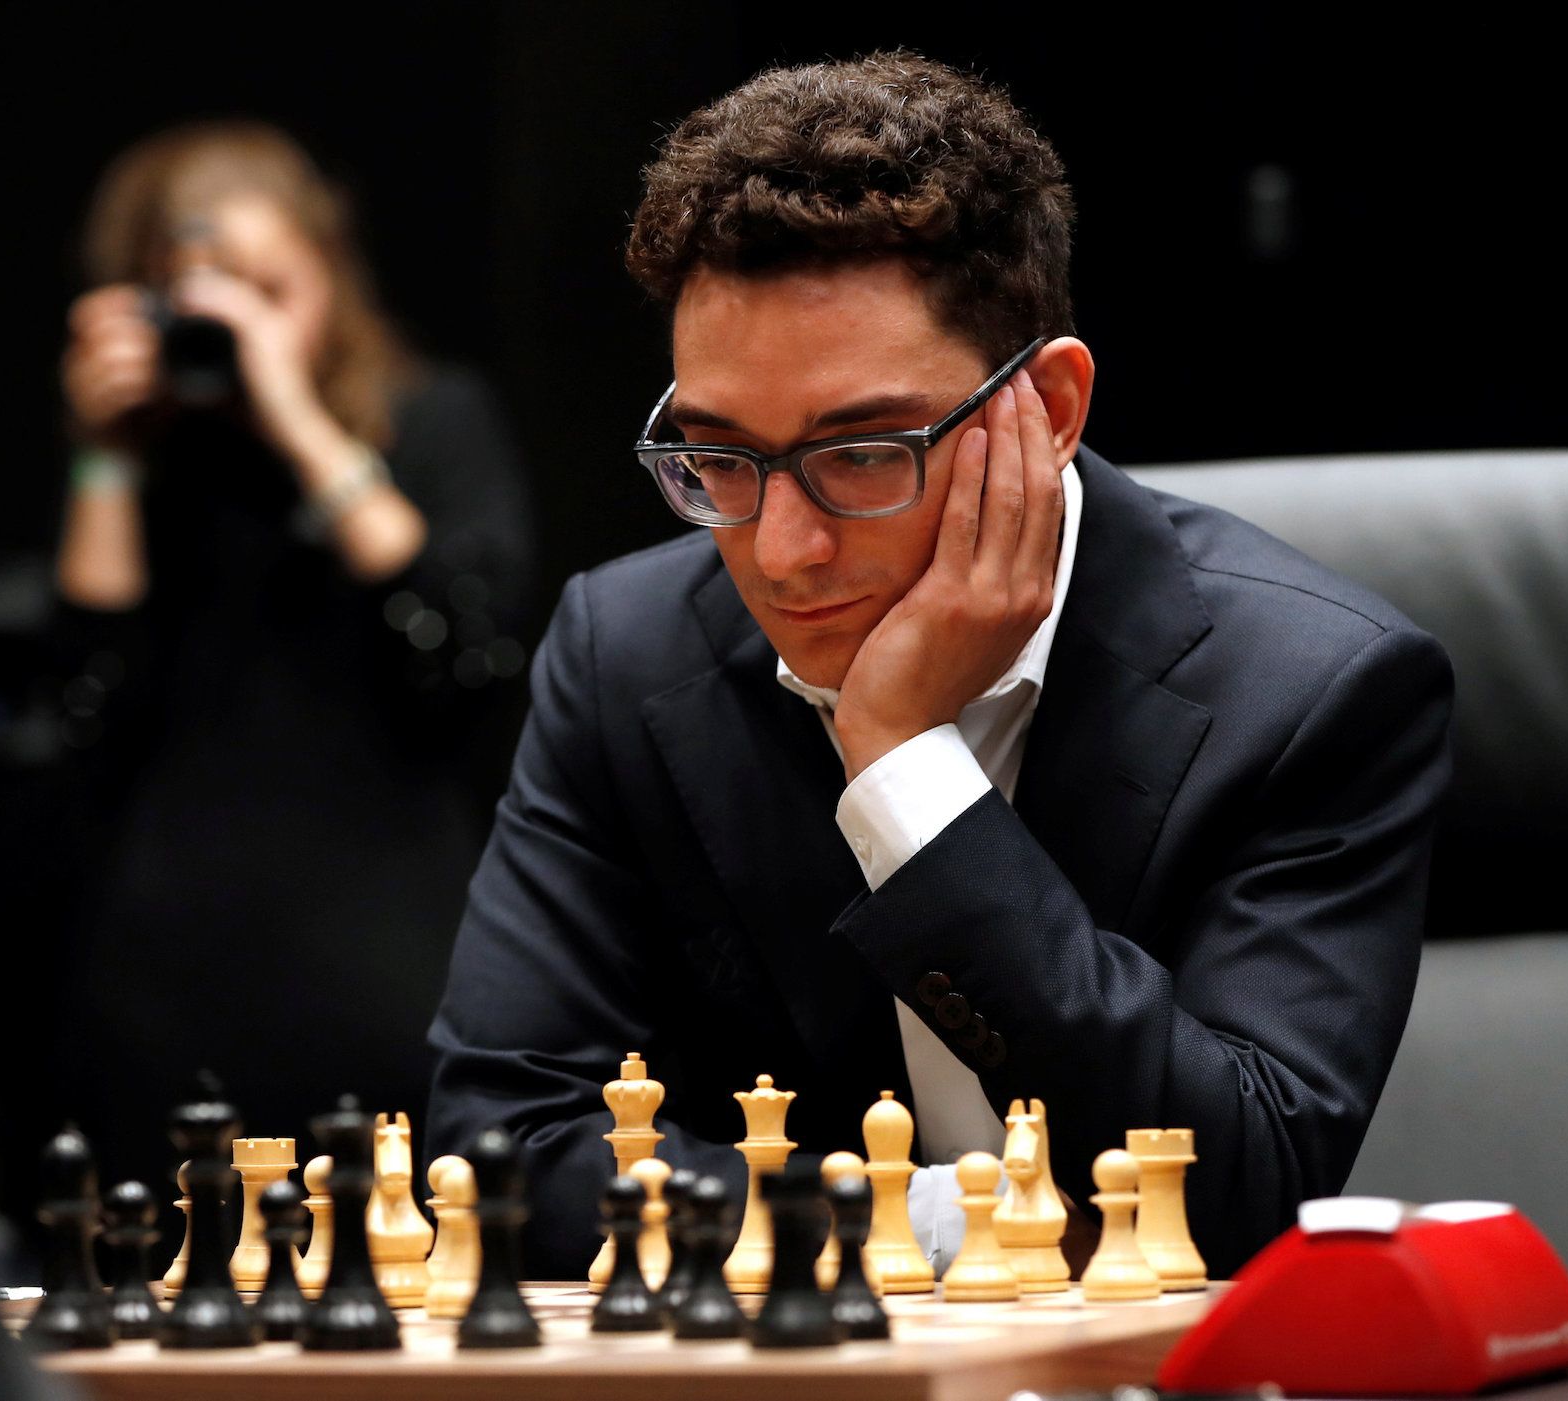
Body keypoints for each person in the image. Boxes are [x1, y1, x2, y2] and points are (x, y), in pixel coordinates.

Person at [427, 51, 1453, 1280]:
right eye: (720, 459)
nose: (782, 552)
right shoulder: (624, 651)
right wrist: (949, 1232)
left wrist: (907, 773)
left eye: (860, 453)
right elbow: (498, 1150)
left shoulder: (1313, 690)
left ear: (1051, 410)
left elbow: (1238, 1191)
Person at [52, 122, 533, 1183]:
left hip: (388, 970)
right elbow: (88, 704)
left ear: (332, 278)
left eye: (270, 289)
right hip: (168, 981)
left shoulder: (432, 421)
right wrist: (102, 461)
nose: (238, 325)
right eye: (203, 296)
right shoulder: (150, 467)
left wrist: (295, 416)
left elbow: (460, 658)